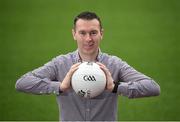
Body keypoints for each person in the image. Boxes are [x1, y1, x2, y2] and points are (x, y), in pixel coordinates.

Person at [15, 11, 160, 121]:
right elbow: (22, 83)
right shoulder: (60, 63)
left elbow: (153, 87)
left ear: (101, 34)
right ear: (74, 34)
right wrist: (59, 87)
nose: (88, 39)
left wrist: (115, 87)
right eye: (82, 33)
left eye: (93, 33)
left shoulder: (114, 64)